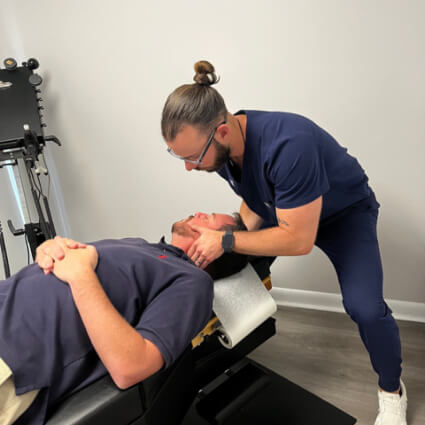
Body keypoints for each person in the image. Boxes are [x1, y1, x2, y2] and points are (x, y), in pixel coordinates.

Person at [160, 60, 407, 425]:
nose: (189, 167)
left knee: (365, 308)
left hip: (343, 217)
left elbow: (298, 239)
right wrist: (224, 241)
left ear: (223, 132)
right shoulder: (227, 151)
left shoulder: (290, 145)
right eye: (179, 157)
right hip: (288, 211)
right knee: (228, 259)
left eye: (193, 158)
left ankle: (392, 390)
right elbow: (256, 197)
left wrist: (227, 241)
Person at [0, 212, 247, 425]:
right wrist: (51, 250)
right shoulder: (140, 245)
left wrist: (81, 275)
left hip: (14, 355)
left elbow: (131, 366)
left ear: (216, 248)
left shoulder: (192, 281)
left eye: (211, 218)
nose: (199, 212)